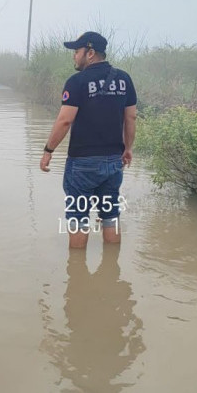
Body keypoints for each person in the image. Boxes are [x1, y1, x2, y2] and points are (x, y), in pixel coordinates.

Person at [39, 32, 137, 249]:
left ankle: (76, 274)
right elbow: (130, 117)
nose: (74, 56)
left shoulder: (77, 81)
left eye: (77, 51)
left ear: (90, 53)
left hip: (82, 163)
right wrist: (128, 148)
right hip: (114, 160)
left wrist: (48, 150)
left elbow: (65, 121)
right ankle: (111, 269)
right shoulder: (124, 79)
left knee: (78, 217)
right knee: (111, 214)